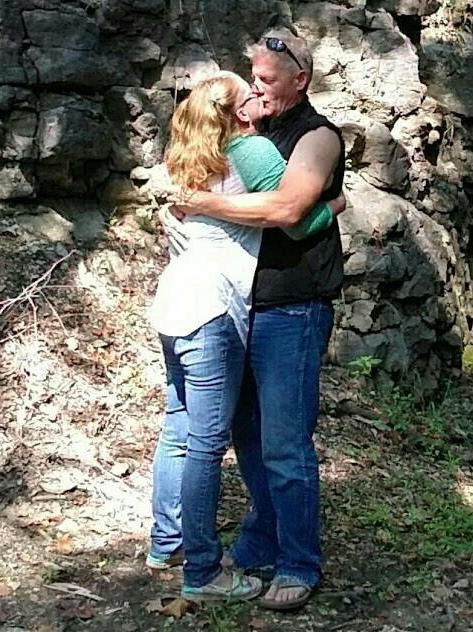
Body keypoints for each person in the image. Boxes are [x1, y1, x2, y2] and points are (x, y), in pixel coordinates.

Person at [147, 71, 344, 603]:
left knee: (181, 429)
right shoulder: (252, 148)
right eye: (249, 89)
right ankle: (205, 570)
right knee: (210, 443)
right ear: (237, 113)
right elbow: (294, 218)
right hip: (214, 308)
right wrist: (335, 205)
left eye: (263, 82)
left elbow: (187, 207)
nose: (258, 92)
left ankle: (167, 542)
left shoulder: (187, 154)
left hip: (173, 303)